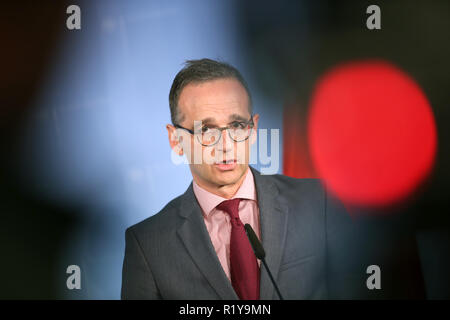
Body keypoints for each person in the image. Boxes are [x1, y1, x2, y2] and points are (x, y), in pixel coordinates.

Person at [121, 58, 423, 300]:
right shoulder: (148, 244)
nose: (225, 144)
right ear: (175, 140)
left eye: (236, 125)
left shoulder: (319, 202)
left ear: (253, 129)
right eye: (207, 131)